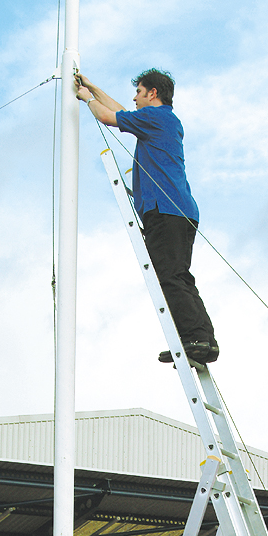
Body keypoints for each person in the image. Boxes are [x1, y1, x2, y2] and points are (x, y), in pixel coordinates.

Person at [75, 68, 218, 365]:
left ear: (152, 93)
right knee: (178, 275)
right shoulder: (160, 119)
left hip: (165, 211)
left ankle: (195, 337)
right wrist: (92, 86)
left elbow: (108, 117)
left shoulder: (156, 118)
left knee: (170, 276)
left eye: (139, 91)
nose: (134, 97)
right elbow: (121, 111)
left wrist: (87, 99)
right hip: (178, 211)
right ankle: (200, 338)